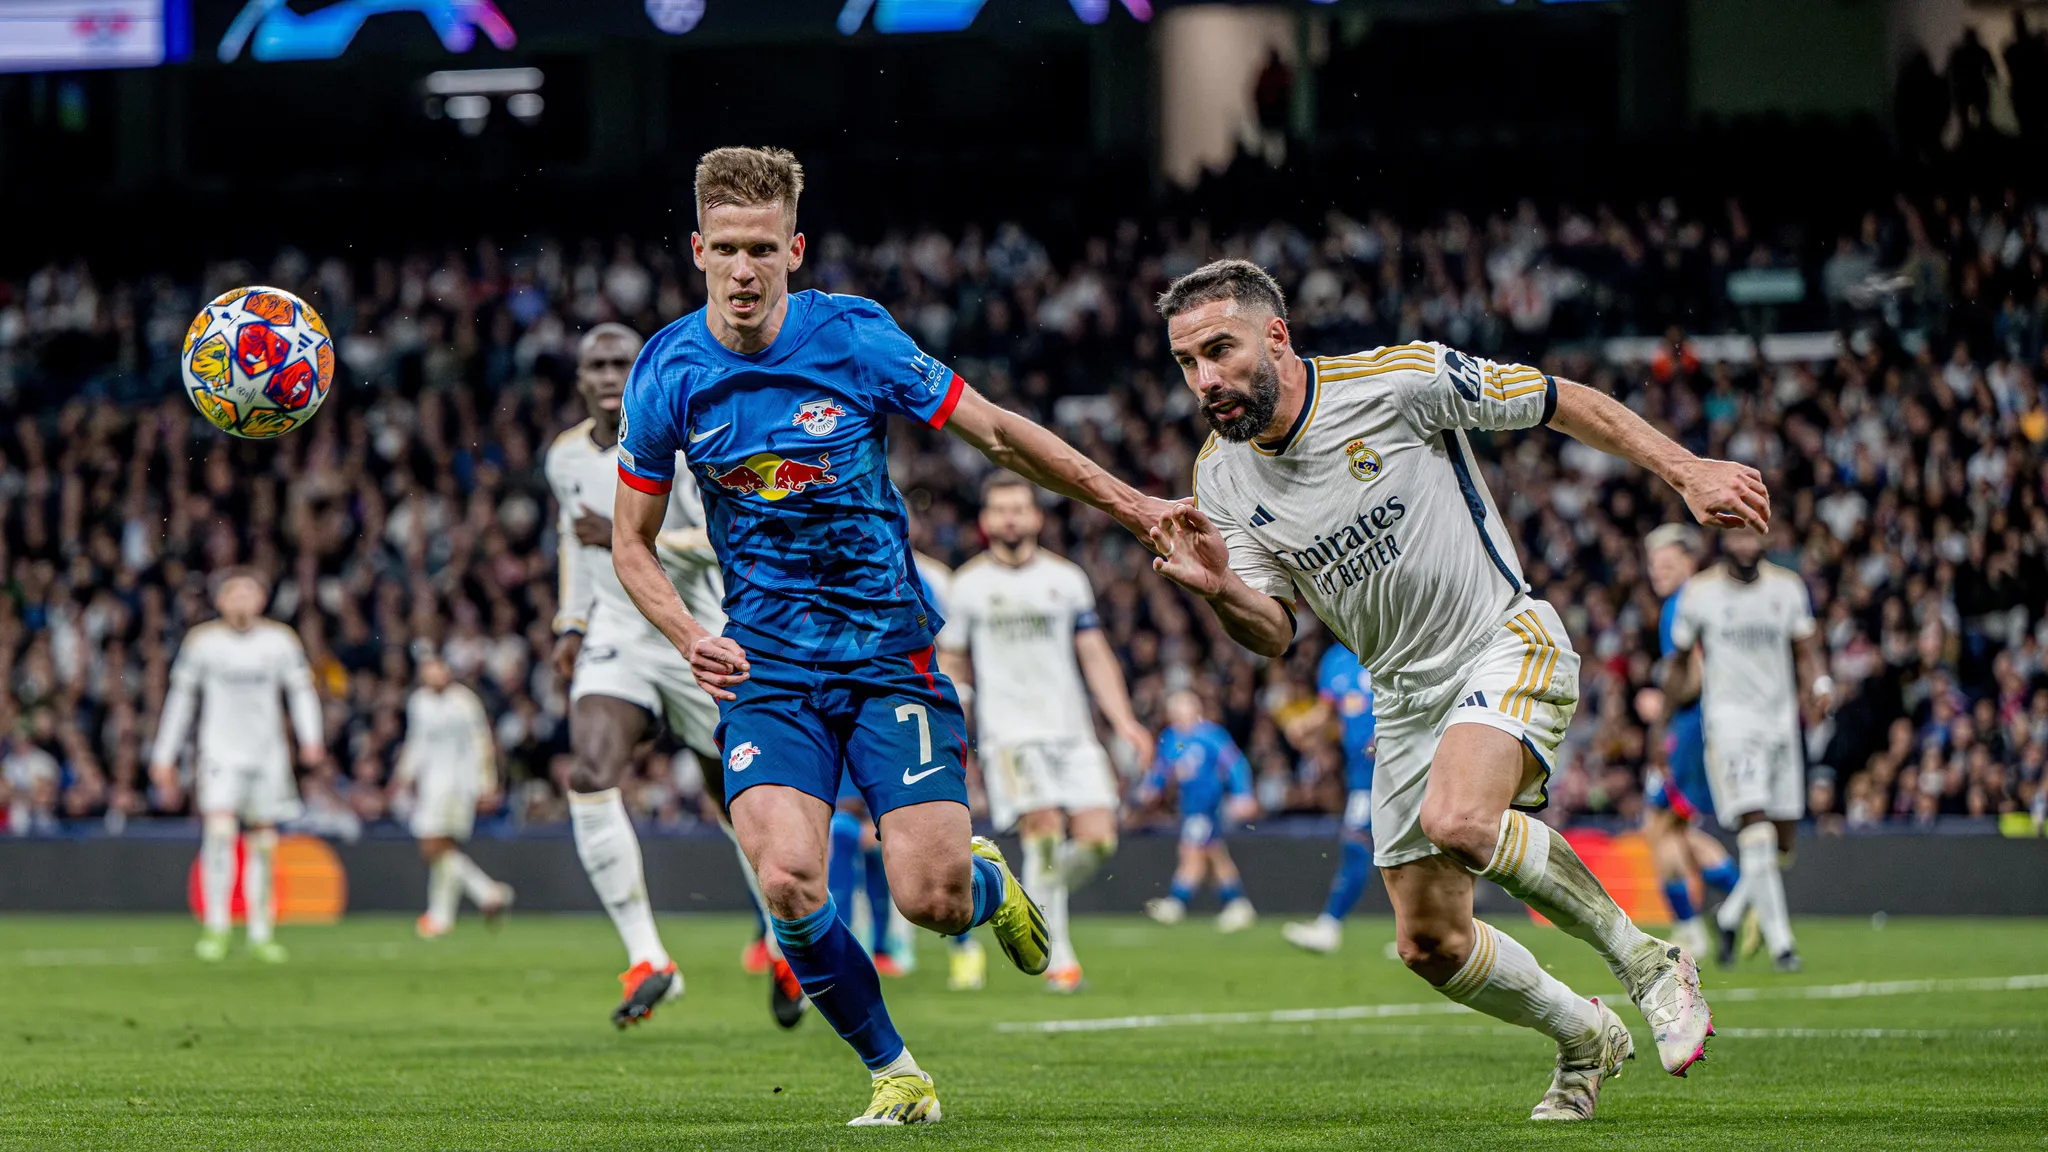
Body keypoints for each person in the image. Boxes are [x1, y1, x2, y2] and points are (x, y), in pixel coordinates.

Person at [609, 146, 1174, 1127]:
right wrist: (687, 630)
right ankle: (894, 1071)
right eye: (724, 250)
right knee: (787, 878)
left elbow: (994, 433)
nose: (743, 271)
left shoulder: (854, 340)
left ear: (793, 248)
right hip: (766, 664)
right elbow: (631, 544)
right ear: (697, 249)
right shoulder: (666, 373)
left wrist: (1133, 508)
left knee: (931, 900)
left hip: (887, 654)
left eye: (762, 250)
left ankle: (983, 879)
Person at [1147, 260, 1766, 1120]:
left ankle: (1648, 961)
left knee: (1461, 821)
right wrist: (1219, 590)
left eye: (1220, 349)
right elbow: (1276, 631)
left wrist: (1685, 468)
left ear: (1276, 336)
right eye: (1187, 362)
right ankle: (1583, 1035)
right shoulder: (1219, 475)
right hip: (1402, 697)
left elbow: (1558, 399)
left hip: (1500, 640)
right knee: (1428, 942)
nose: (1205, 378)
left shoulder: (1396, 382)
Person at [543, 323, 794, 1030]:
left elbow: (725, 535)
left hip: (698, 632)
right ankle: (649, 958)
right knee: (589, 773)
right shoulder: (563, 457)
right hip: (619, 636)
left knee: (739, 805)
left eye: (620, 361)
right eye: (594, 363)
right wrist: (572, 621)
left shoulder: (681, 441)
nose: (606, 373)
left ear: (641, 366)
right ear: (579, 376)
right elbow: (575, 538)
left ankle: (785, 943)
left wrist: (633, 536)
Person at [938, 472, 1152, 991]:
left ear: (1036, 517)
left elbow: (1093, 652)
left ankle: (1025, 898)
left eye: (1019, 508)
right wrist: (958, 712)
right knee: (1046, 830)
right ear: (986, 521)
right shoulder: (967, 586)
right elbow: (954, 660)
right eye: (1000, 510)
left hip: (1072, 730)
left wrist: (1123, 720)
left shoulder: (1067, 579)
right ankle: (1058, 952)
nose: (1010, 517)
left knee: (1099, 840)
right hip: (1009, 733)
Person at [1669, 528, 1830, 973]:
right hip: (1731, 724)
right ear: (1722, 540)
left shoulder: (1787, 588)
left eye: (1750, 536)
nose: (1743, 545)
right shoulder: (1700, 593)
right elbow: (1678, 662)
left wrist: (1819, 685)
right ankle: (1783, 945)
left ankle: (1729, 914)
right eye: (1734, 536)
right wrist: (1661, 721)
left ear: (1765, 539)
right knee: (1755, 831)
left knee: (1780, 843)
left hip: (1781, 724)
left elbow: (1806, 646)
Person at [148, 571, 324, 963]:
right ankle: (217, 927)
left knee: (263, 842)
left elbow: (301, 690)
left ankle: (262, 931)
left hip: (267, 755)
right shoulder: (203, 643)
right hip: (220, 753)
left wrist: (312, 738)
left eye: (250, 591)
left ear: (262, 598)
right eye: (234, 592)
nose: (242, 600)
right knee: (220, 833)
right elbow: (181, 700)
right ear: (221, 601)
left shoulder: (280, 641)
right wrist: (164, 755)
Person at [1640, 524, 1740, 959]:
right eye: (1652, 565)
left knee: (1657, 826)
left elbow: (1693, 673)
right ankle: (1739, 901)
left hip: (1688, 726)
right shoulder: (1699, 600)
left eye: (1666, 563)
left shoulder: (1682, 605)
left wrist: (1661, 706)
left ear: (1688, 562)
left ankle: (1692, 926)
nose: (1657, 572)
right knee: (1677, 829)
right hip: (1702, 724)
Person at [391, 656, 512, 938]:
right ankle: (447, 913)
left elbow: (481, 743)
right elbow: (416, 741)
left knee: (434, 847)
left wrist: (486, 784)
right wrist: (404, 775)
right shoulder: (418, 702)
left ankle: (481, 894)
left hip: (459, 784)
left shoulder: (464, 702)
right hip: (430, 785)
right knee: (442, 850)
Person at [1283, 642, 1376, 954]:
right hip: (1362, 774)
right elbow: (1327, 711)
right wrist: (1303, 726)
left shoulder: (1391, 641)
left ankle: (1330, 924)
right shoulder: (1335, 658)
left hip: (1406, 766)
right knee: (1365, 845)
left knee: (1361, 841)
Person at [1137, 690, 1257, 931]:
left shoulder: (1210, 735)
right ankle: (1237, 904)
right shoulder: (1170, 738)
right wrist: (1151, 787)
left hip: (1208, 806)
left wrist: (1243, 794)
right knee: (1214, 855)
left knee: (1190, 851)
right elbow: (1162, 769)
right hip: (1189, 806)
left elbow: (1235, 764)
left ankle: (1176, 902)